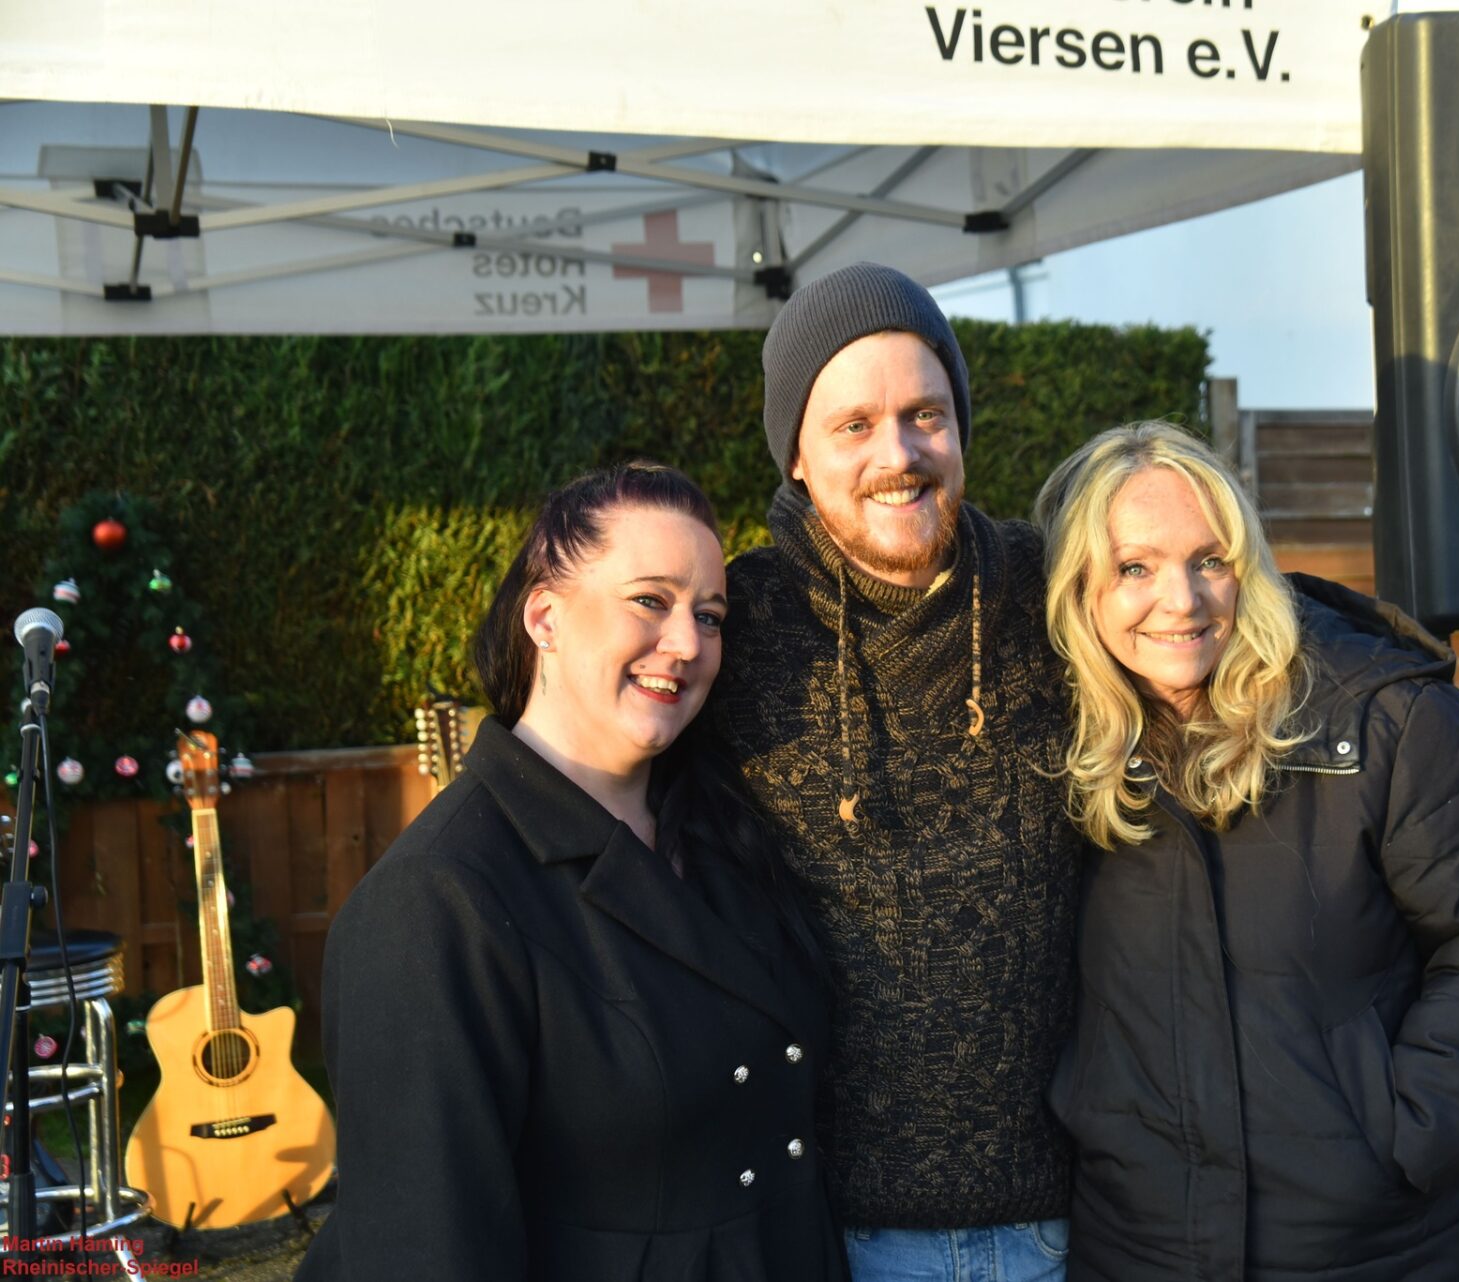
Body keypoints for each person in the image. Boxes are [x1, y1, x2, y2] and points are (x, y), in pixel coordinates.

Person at [1033, 421, 1459, 1282]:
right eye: (1134, 567)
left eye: (1210, 560)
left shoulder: (1383, 717)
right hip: (1138, 1250)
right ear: (1079, 589)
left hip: (1382, 1252)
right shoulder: (1057, 746)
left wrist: (1410, 1135)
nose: (1182, 600)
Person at [299, 463, 845, 1282]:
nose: (689, 644)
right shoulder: (436, 901)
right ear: (545, 616)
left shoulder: (726, 832)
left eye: (709, 615)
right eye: (650, 601)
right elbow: (427, 1247)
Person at [708, 263, 1079, 1280]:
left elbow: (1205, 614)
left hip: (1072, 1223)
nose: (899, 455)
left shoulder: (1054, 594)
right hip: (832, 1236)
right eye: (854, 425)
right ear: (795, 454)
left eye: (925, 415)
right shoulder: (734, 631)